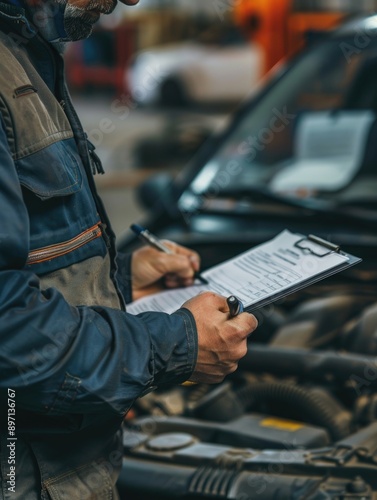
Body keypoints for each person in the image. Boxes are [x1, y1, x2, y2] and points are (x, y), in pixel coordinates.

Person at [0, 0, 258, 498]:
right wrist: (173, 347)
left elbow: (31, 261)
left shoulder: (28, 54)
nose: (133, 0)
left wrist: (118, 279)